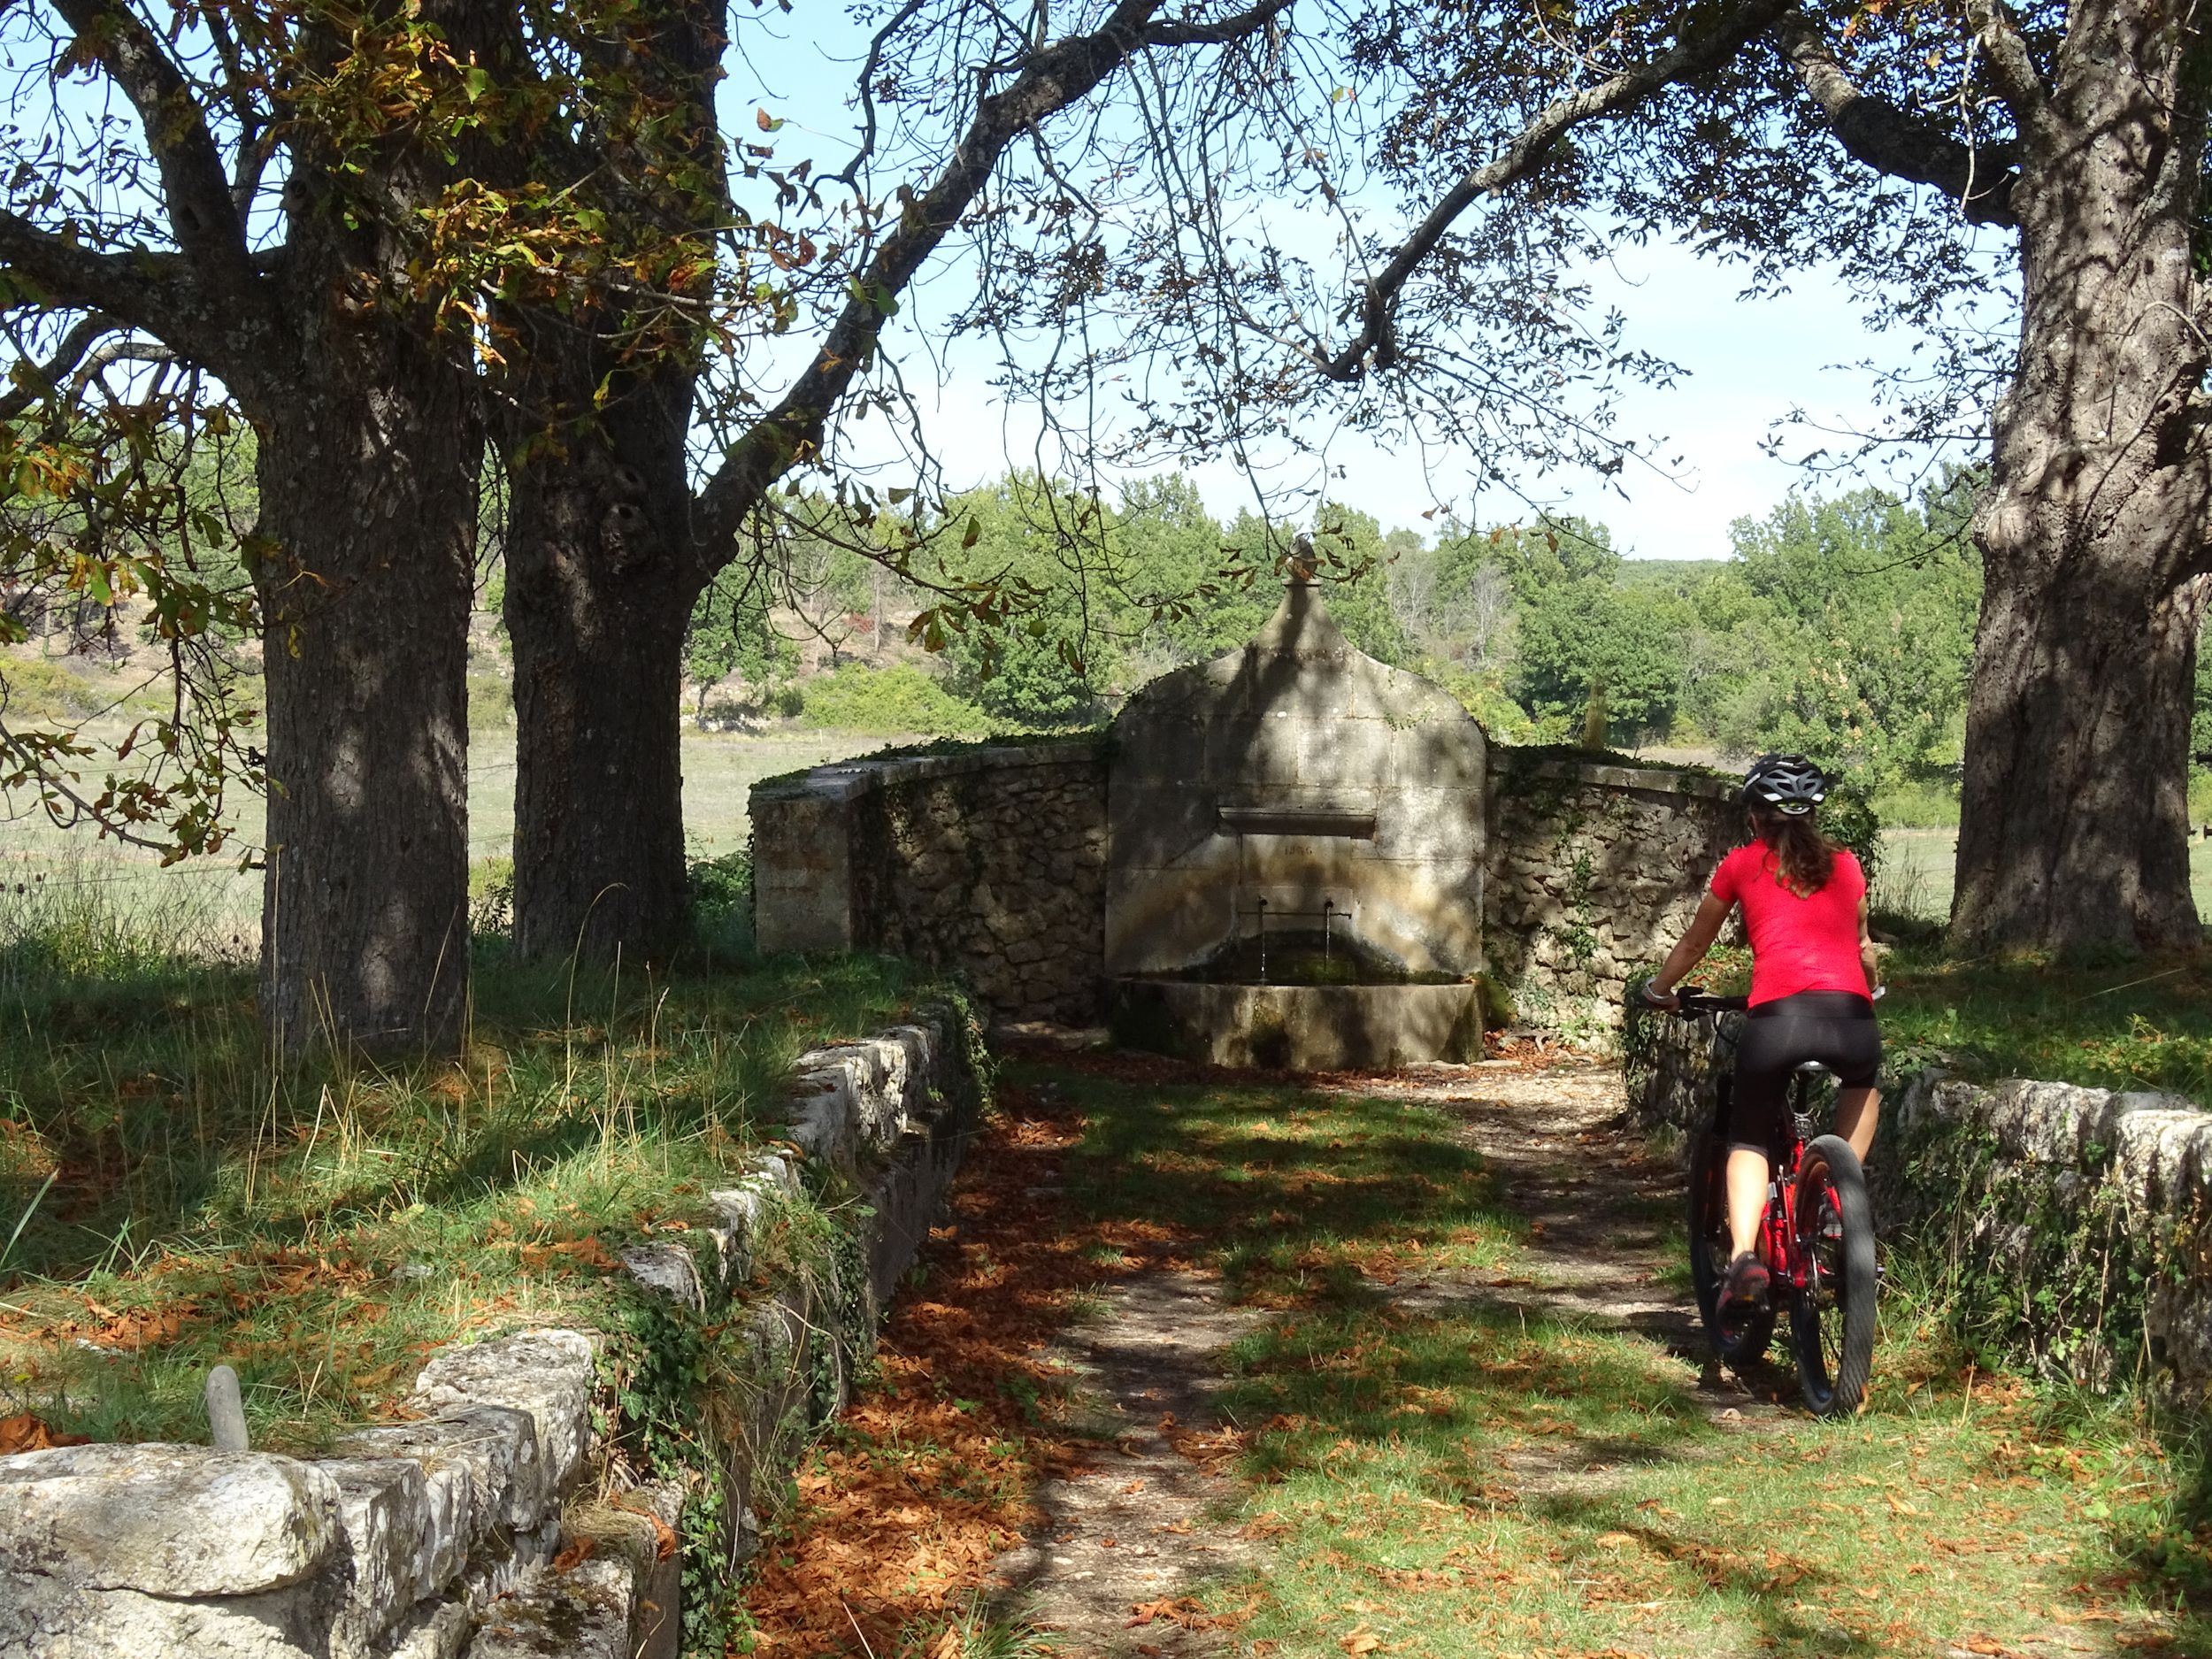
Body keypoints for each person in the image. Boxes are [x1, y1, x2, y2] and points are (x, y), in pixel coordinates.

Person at [1639, 754, 1883, 1310]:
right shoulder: (1847, 866)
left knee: (1748, 1135)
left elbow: (1695, 945)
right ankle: (1835, 1196)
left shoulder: (1741, 866)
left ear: (1754, 817)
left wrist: (1657, 992)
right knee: (1863, 1086)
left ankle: (1746, 1256)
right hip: (1852, 1018)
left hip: (1779, 1022)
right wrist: (1874, 985)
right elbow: (1864, 949)